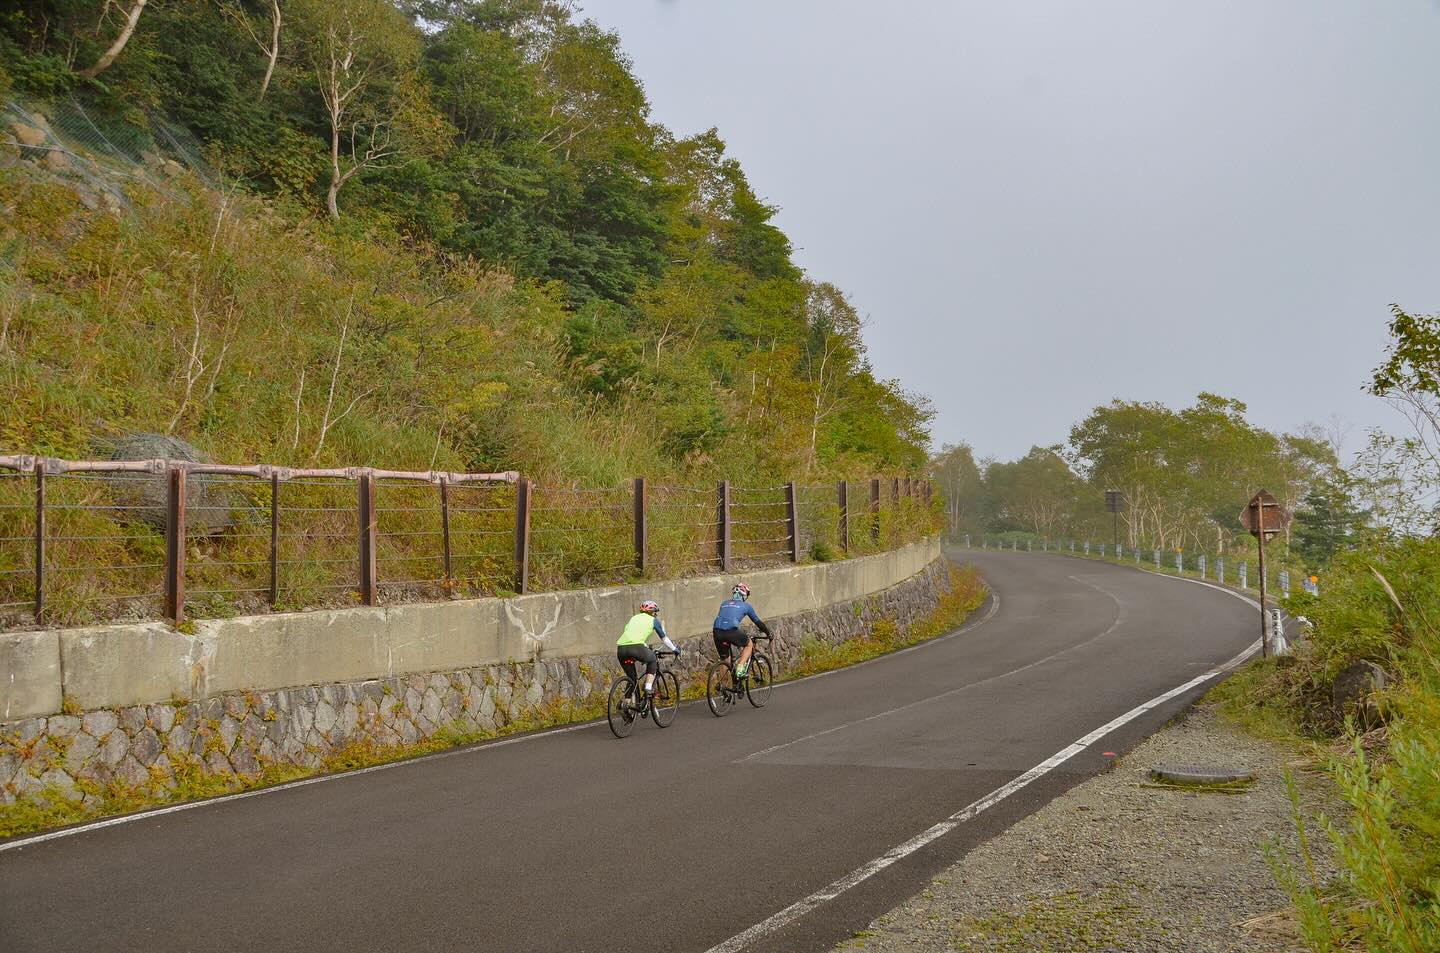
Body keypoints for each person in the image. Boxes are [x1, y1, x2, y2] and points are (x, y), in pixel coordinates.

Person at [616, 600, 679, 702]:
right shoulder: (653, 620)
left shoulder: (633, 618)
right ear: (653, 612)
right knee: (652, 659)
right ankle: (648, 687)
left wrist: (644, 645)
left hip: (621, 649)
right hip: (636, 647)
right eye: (655, 612)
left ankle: (626, 704)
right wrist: (674, 649)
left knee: (632, 679)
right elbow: (664, 638)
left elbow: (631, 634)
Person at [712, 582, 770, 679]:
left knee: (725, 660)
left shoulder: (724, 603)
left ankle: (723, 686)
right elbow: (758, 623)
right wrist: (768, 633)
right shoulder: (746, 606)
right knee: (749, 644)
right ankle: (740, 669)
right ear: (744, 595)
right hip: (730, 631)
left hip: (717, 631)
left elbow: (726, 617)